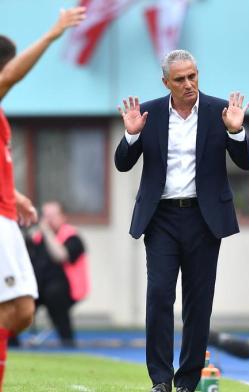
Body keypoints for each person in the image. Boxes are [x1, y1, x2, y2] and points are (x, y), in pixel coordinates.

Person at [115, 49, 249, 392]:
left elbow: (247, 161)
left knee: (198, 302)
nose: (189, 83)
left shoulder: (218, 111)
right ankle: (161, 379)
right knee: (160, 295)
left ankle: (188, 382)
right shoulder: (146, 113)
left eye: (193, 76)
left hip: (203, 218)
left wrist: (236, 132)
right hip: (161, 217)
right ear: (166, 82)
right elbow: (122, 163)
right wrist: (131, 135)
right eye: (180, 79)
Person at [0, 6, 86, 389]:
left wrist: (15, 194)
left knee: (21, 313)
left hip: (6, 214)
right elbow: (12, 76)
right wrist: (53, 34)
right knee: (17, 309)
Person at [26, 201, 89, 347]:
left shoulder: (73, 237)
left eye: (52, 216)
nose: (48, 220)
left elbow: (61, 256)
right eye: (46, 216)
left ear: (63, 217)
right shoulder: (37, 239)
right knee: (19, 303)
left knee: (55, 295)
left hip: (65, 289)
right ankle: (11, 344)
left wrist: (47, 232)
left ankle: (68, 344)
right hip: (39, 287)